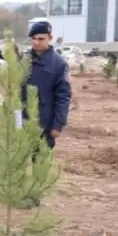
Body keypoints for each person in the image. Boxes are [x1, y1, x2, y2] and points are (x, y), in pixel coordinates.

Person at [22, 22, 71, 163]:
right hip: (21, 122)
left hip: (44, 124)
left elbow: (63, 96)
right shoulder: (23, 60)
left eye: (41, 39)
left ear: (50, 38)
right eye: (33, 38)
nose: (36, 42)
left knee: (40, 167)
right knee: (16, 170)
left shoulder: (58, 64)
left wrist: (58, 124)